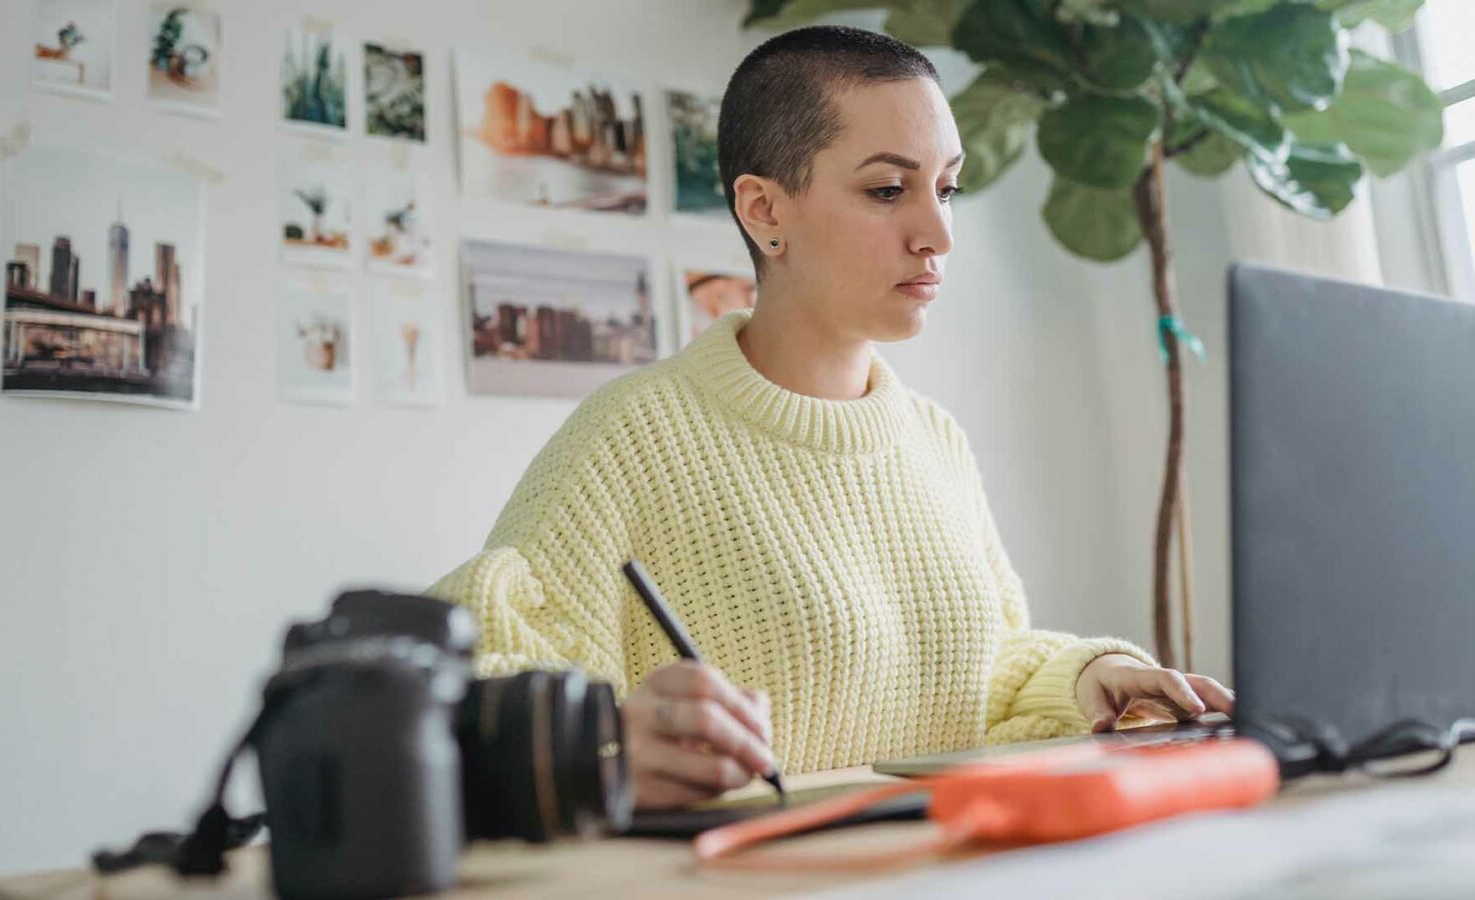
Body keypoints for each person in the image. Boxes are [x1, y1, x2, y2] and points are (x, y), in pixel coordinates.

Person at [428, 25, 1234, 811]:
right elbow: (470, 691)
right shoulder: (629, 438)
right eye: (888, 189)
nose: (938, 233)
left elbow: (975, 677)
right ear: (764, 212)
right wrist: (605, 742)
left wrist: (1084, 678)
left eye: (945, 188)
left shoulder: (934, 439)